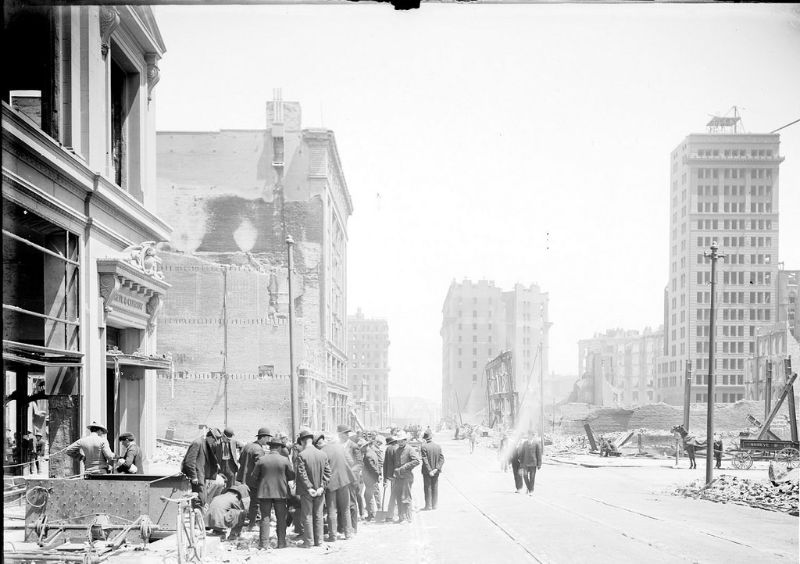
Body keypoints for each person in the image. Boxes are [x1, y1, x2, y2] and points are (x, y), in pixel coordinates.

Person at [252, 436, 295, 550]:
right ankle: (281, 543)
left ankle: (264, 544)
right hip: (280, 493)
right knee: (281, 518)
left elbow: (254, 476)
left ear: (270, 447)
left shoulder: (261, 460)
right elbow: (291, 476)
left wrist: (260, 484)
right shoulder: (285, 460)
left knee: (265, 518)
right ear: (280, 448)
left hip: (264, 493)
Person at [295, 429, 331, 548]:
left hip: (306, 492)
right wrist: (322, 487)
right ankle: (319, 541)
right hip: (320, 491)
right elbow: (328, 473)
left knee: (307, 516)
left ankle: (309, 542)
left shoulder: (301, 455)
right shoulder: (322, 454)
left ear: (302, 441)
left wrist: (309, 487)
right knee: (318, 516)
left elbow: (301, 473)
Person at [322, 433, 355, 542]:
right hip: (343, 481)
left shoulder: (323, 450)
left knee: (332, 510)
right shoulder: (341, 448)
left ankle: (333, 536)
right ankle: (348, 533)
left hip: (330, 483)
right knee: (345, 509)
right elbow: (351, 462)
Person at [236, 427, 272, 528]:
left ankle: (243, 522)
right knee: (254, 503)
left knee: (244, 502)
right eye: (267, 438)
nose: (268, 440)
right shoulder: (258, 449)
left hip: (243, 479)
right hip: (253, 480)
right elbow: (260, 466)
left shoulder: (247, 446)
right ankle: (252, 524)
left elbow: (240, 460)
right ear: (263, 437)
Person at [181, 427, 222, 511]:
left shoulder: (204, 443)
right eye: (214, 441)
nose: (213, 443)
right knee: (199, 499)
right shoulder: (197, 443)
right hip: (197, 477)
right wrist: (194, 476)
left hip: (201, 476)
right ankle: (197, 520)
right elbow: (189, 462)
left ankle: (198, 518)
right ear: (210, 437)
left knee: (202, 498)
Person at [338, 425, 363, 533]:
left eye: (346, 433)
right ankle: (342, 527)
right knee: (340, 504)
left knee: (352, 504)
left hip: (351, 480)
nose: (346, 435)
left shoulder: (353, 446)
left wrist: (349, 473)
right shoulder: (337, 446)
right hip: (340, 480)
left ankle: (353, 528)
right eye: (344, 433)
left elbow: (359, 463)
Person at [391, 430, 420, 522]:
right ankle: (401, 517)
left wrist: (404, 467)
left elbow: (417, 461)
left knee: (406, 497)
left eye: (401, 441)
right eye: (398, 441)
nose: (399, 442)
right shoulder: (397, 450)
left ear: (405, 440)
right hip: (398, 477)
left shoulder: (410, 449)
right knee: (399, 497)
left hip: (407, 477)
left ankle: (408, 518)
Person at [420, 430, 444, 510]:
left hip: (427, 472)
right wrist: (436, 468)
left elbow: (425, 460)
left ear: (425, 438)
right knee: (435, 487)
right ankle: (434, 505)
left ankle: (428, 506)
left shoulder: (424, 447)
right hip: (436, 471)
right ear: (431, 437)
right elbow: (442, 459)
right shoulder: (438, 446)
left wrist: (430, 470)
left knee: (427, 488)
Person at [362, 432, 383, 521]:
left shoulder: (367, 456)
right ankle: (378, 511)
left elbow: (373, 468)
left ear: (365, 446)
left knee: (368, 496)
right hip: (373, 478)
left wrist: (377, 475)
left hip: (370, 479)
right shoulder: (372, 452)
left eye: (361, 447)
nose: (360, 449)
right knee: (376, 495)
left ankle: (371, 514)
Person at [519, 431, 542, 496]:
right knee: (525, 476)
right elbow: (522, 453)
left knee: (532, 477)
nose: (530, 436)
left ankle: (531, 490)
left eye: (531, 435)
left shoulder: (536, 443)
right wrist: (521, 462)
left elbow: (539, 454)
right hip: (525, 463)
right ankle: (529, 488)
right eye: (529, 435)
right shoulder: (525, 443)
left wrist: (539, 464)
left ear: (533, 436)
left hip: (533, 463)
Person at [382, 434, 398, 522]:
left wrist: (385, 478)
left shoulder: (388, 449)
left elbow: (385, 464)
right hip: (398, 475)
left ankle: (390, 515)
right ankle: (395, 515)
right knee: (399, 495)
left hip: (391, 476)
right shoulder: (398, 449)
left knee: (393, 495)